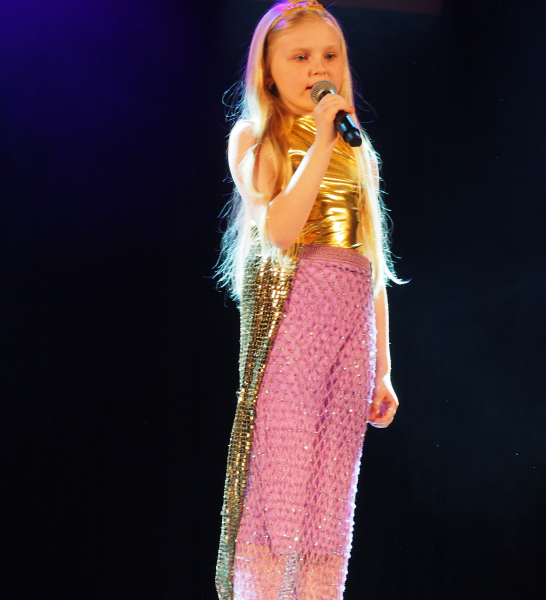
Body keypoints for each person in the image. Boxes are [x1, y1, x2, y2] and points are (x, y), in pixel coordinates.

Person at [215, 2, 402, 599]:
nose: (318, 68)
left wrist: (383, 366)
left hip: (351, 328)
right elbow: (279, 229)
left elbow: (374, 264)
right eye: (300, 57)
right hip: (293, 325)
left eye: (329, 55)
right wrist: (320, 140)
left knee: (329, 506)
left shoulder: (359, 149)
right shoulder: (255, 138)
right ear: (268, 72)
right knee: (284, 489)